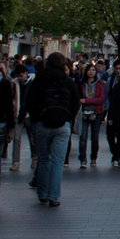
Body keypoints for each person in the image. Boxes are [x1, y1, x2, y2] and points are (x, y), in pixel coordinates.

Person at [25, 52, 80, 208]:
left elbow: (30, 101)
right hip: (62, 125)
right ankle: (54, 196)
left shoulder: (39, 80)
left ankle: (42, 193)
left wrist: (36, 118)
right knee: (57, 162)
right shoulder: (67, 81)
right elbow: (75, 102)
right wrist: (68, 117)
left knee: (43, 160)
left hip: (42, 124)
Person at [76, 63, 108, 169]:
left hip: (96, 113)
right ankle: (83, 159)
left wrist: (87, 100)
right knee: (83, 137)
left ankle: (93, 158)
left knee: (95, 137)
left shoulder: (100, 84)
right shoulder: (81, 84)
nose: (91, 72)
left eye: (93, 70)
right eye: (89, 70)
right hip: (84, 112)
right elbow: (78, 97)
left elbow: (101, 99)